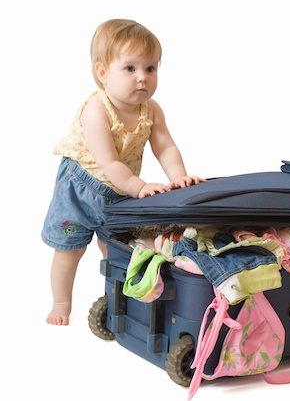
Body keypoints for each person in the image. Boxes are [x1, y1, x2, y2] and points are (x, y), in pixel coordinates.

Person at [42, 18, 205, 326]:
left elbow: (165, 147)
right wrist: (139, 187)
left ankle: (114, 298)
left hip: (119, 193)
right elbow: (109, 162)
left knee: (116, 249)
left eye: (150, 68)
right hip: (79, 189)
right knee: (69, 249)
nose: (142, 77)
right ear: (103, 73)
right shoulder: (96, 110)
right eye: (130, 69)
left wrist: (178, 177)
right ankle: (61, 302)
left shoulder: (152, 110)